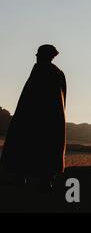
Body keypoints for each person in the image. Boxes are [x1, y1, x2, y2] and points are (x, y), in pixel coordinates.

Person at [0, 45, 67, 191]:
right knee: (46, 148)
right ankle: (45, 180)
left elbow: (29, 98)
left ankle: (22, 177)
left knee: (24, 144)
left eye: (38, 54)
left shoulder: (39, 70)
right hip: (51, 122)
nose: (36, 56)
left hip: (31, 119)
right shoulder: (57, 73)